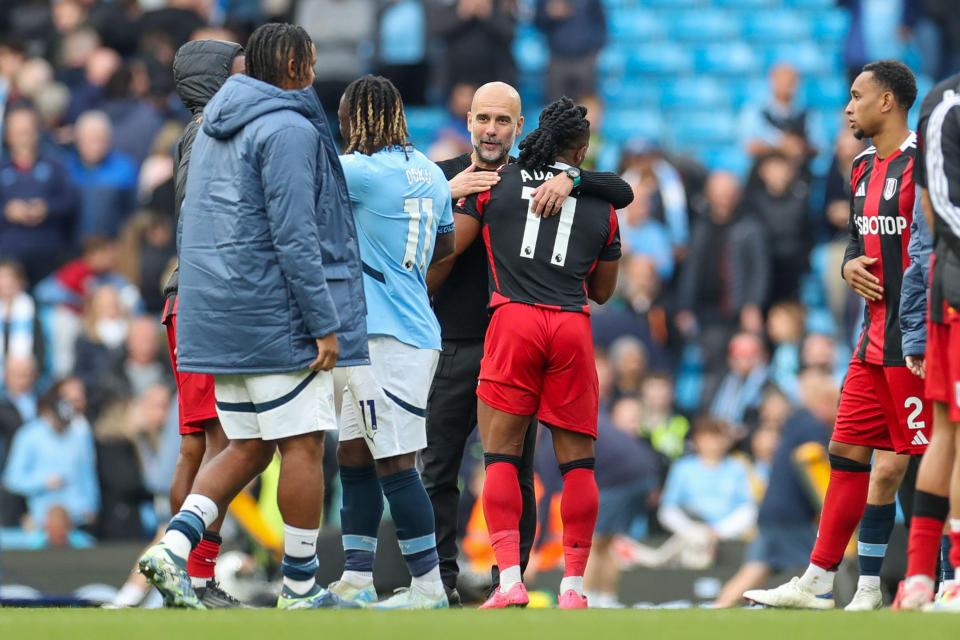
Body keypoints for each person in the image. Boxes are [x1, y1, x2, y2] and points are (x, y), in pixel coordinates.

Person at [137, 23, 368, 611]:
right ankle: (299, 587)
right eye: (310, 56)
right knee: (301, 443)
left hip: (214, 312)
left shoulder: (208, 129)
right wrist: (323, 321)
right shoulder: (286, 128)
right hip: (272, 314)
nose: (316, 65)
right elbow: (295, 235)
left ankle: (172, 549)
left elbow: (196, 225)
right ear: (292, 64)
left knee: (242, 446)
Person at [422, 81, 632, 605]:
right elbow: (604, 291)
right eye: (483, 119)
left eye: (503, 121)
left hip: (509, 326)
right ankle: (573, 587)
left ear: (524, 131)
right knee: (574, 465)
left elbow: (448, 254)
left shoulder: (493, 185)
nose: (491, 129)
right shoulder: (601, 204)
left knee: (499, 461)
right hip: (568, 324)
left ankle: (509, 581)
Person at [745, 60, 928, 611]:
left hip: (913, 342)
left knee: (921, 461)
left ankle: (938, 577)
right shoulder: (863, 167)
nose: (847, 107)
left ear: (888, 102)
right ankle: (823, 579)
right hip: (869, 340)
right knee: (847, 451)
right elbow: (856, 238)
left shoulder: (925, 165)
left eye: (856, 96)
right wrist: (850, 264)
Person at [327, 75, 454, 610]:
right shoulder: (430, 171)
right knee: (354, 454)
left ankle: (428, 588)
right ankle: (357, 579)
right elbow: (444, 244)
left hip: (391, 338)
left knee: (396, 461)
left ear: (357, 118)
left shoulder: (357, 171)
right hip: (391, 328)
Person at [157, 38, 245, 609]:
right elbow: (201, 213)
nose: (247, 79)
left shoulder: (203, 128)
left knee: (199, 442)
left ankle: (185, 575)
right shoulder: (212, 129)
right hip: (203, 298)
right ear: (213, 79)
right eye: (237, 71)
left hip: (187, 295)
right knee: (223, 440)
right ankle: (193, 573)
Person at [894, 72, 960, 611]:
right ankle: (939, 574)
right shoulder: (946, 104)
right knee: (951, 429)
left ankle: (926, 576)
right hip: (957, 291)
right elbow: (936, 211)